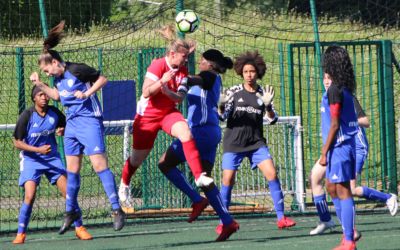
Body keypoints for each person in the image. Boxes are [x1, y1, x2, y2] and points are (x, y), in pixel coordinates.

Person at [29, 21, 125, 234]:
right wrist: (40, 84)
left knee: (99, 165)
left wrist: (87, 93)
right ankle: (70, 211)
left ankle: (117, 209)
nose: (47, 73)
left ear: (55, 62)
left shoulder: (77, 70)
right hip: (71, 125)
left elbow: (103, 79)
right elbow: (57, 97)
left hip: (89, 121)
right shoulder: (58, 80)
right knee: (72, 171)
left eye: (46, 70)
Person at [118, 25, 213, 203]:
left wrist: (169, 93)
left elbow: (179, 98)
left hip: (168, 113)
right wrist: (162, 81)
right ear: (172, 54)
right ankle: (124, 183)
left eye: (187, 57)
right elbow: (146, 92)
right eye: (184, 56)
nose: (186, 60)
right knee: (137, 159)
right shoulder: (158, 64)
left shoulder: (182, 71)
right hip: (148, 116)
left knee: (186, 132)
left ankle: (199, 176)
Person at [157, 49, 239, 241]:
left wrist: (180, 77)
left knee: (164, 164)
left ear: (210, 64)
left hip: (200, 132)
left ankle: (196, 200)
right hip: (211, 132)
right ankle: (227, 222)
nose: (199, 62)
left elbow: (196, 79)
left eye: (202, 60)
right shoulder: (208, 77)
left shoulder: (209, 76)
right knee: (205, 179)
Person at [218, 51, 296, 232]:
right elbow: (223, 117)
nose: (249, 75)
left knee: (272, 174)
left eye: (252, 71)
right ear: (241, 73)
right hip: (234, 143)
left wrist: (268, 106)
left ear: (258, 72)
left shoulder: (263, 93)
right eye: (246, 72)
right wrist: (221, 105)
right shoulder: (234, 91)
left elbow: (273, 119)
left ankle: (281, 217)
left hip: (256, 143)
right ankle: (224, 221)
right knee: (228, 180)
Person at [12, 86, 92, 244]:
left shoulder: (54, 113)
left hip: (52, 159)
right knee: (30, 195)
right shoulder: (26, 116)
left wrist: (63, 130)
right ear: (34, 98)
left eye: (46, 95)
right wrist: (37, 149)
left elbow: (68, 126)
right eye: (40, 95)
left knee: (69, 194)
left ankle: (79, 228)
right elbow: (16, 142)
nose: (44, 97)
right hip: (31, 160)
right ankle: (21, 233)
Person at [310, 96, 398, 236]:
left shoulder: (346, 96)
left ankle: (387, 198)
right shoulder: (326, 97)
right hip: (336, 148)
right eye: (324, 77)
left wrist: (346, 121)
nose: (326, 81)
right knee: (315, 176)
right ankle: (326, 220)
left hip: (355, 148)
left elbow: (365, 121)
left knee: (349, 189)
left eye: (329, 77)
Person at [318, 45, 358, 250]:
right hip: (344, 147)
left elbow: (334, 124)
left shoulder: (334, 91)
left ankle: (349, 239)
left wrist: (324, 152)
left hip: (340, 148)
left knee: (343, 192)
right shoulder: (344, 89)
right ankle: (348, 235)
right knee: (332, 187)